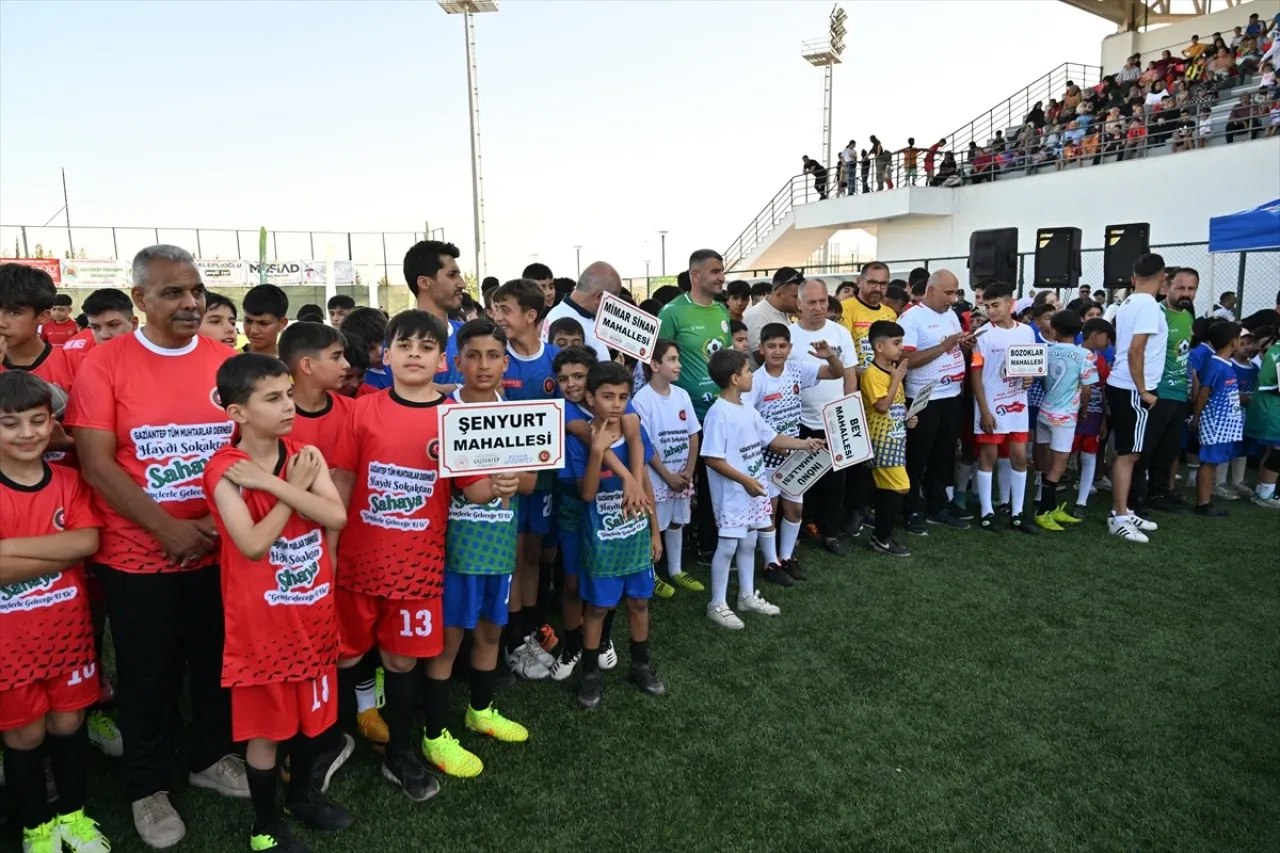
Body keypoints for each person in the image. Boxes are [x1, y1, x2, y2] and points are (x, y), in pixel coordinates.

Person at [65, 245, 246, 848]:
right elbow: (95, 462)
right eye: (173, 292)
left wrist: (223, 523)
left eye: (196, 289)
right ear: (140, 299)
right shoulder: (104, 363)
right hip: (137, 552)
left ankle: (210, 757)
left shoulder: (227, 361)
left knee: (218, 659)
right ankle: (147, 785)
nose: (191, 302)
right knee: (147, 673)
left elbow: (246, 451)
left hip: (219, 545)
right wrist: (166, 528)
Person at [203, 354, 353, 851]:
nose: (288, 405)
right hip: (260, 626)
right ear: (237, 413)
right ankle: (265, 824)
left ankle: (304, 799)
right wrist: (291, 491)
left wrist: (273, 485)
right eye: (272, 398)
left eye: (288, 393)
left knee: (314, 719)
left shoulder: (302, 454)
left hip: (312, 614)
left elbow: (336, 515)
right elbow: (251, 543)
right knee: (265, 733)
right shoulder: (224, 469)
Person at [330, 310, 449, 803]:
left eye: (426, 347)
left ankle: (400, 755)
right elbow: (341, 482)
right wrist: (330, 555)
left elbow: (478, 489)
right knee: (345, 654)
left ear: (442, 360)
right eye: (405, 345)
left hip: (418, 567)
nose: (415, 354)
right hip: (357, 562)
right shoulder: (361, 410)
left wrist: (500, 484)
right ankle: (326, 745)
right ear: (386, 354)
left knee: (401, 662)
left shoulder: (457, 415)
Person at [0, 370, 112, 853]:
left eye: (37, 420)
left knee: (69, 725)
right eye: (10, 423)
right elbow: (66, 548)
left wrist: (7, 547)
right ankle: (36, 827)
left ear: (52, 424)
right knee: (24, 737)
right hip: (10, 643)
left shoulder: (68, 480)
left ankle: (73, 816)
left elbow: (85, 542)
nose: (26, 433)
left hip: (67, 635)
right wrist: (56, 550)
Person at [421, 319, 534, 776]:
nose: (483, 365)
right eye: (474, 355)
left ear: (506, 363)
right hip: (454, 548)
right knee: (448, 642)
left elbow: (530, 479)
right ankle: (434, 735)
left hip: (499, 543)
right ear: (457, 361)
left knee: (490, 631)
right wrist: (478, 484)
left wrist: (513, 480)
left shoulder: (519, 414)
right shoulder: (442, 413)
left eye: (493, 356)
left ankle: (480, 710)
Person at [700, 349, 823, 629]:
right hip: (734, 494)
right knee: (729, 544)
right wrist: (745, 481)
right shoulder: (719, 414)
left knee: (750, 542)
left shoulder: (746, 408)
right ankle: (717, 603)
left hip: (754, 489)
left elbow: (770, 436)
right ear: (734, 378)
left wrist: (805, 443)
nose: (750, 375)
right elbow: (712, 458)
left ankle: (746, 596)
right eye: (746, 371)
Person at [567, 360, 665, 710]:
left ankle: (640, 665)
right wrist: (596, 451)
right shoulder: (581, 438)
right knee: (598, 607)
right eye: (607, 396)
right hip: (602, 541)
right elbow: (589, 494)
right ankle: (590, 673)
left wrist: (655, 532)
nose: (615, 404)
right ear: (590, 397)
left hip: (636, 536)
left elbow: (646, 487)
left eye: (623, 397)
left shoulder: (631, 427)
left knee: (639, 601)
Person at [549, 346, 648, 680]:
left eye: (578, 376)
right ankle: (573, 645)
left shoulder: (618, 401)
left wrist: (633, 482)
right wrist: (628, 478)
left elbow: (634, 436)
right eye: (563, 378)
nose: (571, 384)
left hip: (616, 513)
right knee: (575, 583)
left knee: (610, 583)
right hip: (576, 508)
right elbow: (594, 438)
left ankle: (603, 640)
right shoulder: (563, 412)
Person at [491, 279, 563, 675]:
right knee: (514, 555)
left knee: (535, 554)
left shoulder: (556, 359)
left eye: (505, 310)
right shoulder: (498, 360)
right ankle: (513, 640)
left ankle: (532, 628)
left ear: (530, 316)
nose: (498, 317)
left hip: (547, 476)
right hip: (508, 477)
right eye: (495, 309)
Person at [746, 323, 844, 585]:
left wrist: (830, 356)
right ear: (761, 350)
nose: (777, 351)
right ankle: (770, 563)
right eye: (771, 346)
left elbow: (837, 373)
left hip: (794, 455)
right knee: (770, 512)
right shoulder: (755, 381)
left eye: (782, 346)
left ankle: (787, 557)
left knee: (795, 510)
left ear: (790, 348)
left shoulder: (798, 369)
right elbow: (747, 419)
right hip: (766, 457)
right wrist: (770, 441)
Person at [658, 250, 730, 562]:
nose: (721, 277)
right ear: (695, 275)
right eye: (715, 271)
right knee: (682, 482)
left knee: (718, 481)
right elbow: (656, 363)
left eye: (722, 271)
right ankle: (666, 551)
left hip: (721, 413)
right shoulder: (672, 313)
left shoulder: (721, 311)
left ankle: (710, 545)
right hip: (686, 419)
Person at [789, 280, 859, 555]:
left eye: (822, 302)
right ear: (799, 305)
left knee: (835, 482)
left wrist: (847, 408)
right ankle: (799, 529)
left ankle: (830, 533)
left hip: (835, 419)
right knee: (800, 481)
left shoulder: (840, 333)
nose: (818, 308)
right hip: (799, 420)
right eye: (811, 303)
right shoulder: (788, 335)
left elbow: (850, 373)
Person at [899, 270, 972, 533]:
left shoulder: (950, 315)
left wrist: (963, 344)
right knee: (917, 458)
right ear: (931, 290)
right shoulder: (911, 318)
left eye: (955, 292)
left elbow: (952, 346)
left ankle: (937, 505)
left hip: (951, 394)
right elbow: (905, 361)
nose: (953, 299)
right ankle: (912, 510)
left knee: (944, 455)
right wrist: (943, 347)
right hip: (924, 397)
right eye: (948, 292)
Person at [1104, 254, 1169, 544]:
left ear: (1133, 277)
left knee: (1131, 453)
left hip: (1126, 385)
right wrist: (1143, 390)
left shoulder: (1129, 303)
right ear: (1163, 276)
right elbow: (1135, 351)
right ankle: (1119, 517)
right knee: (1128, 455)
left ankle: (1124, 511)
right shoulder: (1146, 305)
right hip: (1131, 388)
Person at [632, 339, 703, 593]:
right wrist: (666, 475)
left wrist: (688, 469)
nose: (679, 365)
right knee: (654, 526)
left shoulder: (682, 395)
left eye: (678, 359)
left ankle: (676, 570)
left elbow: (693, 433)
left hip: (682, 476)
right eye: (672, 360)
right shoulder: (642, 400)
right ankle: (650, 573)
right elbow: (645, 444)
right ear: (654, 365)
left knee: (677, 521)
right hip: (657, 478)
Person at [970, 283, 1037, 534]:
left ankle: (1017, 512)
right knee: (989, 457)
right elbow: (975, 373)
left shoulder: (1027, 332)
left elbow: (1029, 367)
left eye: (995, 305)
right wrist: (984, 410)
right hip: (991, 405)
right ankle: (987, 512)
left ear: (1011, 304)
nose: (990, 311)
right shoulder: (983, 334)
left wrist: (1029, 377)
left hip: (1018, 405)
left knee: (1020, 457)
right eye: (986, 306)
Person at [1133, 267, 1197, 512]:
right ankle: (1135, 496)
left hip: (1179, 392)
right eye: (1180, 287)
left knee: (1170, 449)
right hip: (1157, 391)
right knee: (1146, 448)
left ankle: (1160, 493)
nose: (1186, 293)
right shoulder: (1156, 313)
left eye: (1191, 289)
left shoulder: (1187, 316)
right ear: (1166, 286)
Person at [1032, 310, 1098, 531]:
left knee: (1047, 463)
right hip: (1065, 416)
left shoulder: (1046, 351)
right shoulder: (1085, 355)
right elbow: (1087, 389)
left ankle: (1048, 507)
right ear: (1079, 329)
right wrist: (1084, 409)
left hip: (1044, 412)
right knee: (1058, 468)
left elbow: (1040, 381)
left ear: (1055, 329)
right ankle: (1043, 512)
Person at [860, 321, 920, 556]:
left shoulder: (892, 371)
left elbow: (897, 403)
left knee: (889, 489)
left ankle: (881, 536)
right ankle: (881, 535)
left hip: (896, 438)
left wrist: (908, 416)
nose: (901, 348)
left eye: (901, 342)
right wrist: (897, 378)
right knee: (901, 486)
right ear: (879, 346)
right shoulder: (872, 373)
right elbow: (882, 406)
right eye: (896, 343)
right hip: (881, 441)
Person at [1190, 321, 1244, 517]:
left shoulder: (1225, 364)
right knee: (1209, 462)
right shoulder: (1216, 364)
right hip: (1215, 422)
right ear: (1233, 341)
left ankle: (1206, 500)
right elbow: (1204, 392)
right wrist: (1196, 417)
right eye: (1239, 338)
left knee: (1214, 462)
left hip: (1224, 424)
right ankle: (1203, 503)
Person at [404, 240, 465, 389]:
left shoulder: (467, 334)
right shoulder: (398, 338)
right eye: (452, 275)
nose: (462, 283)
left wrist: (451, 390)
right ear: (424, 283)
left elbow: (494, 388)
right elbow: (410, 392)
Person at [540, 261, 623, 362]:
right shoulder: (567, 324)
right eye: (611, 302)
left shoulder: (567, 313)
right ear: (599, 297)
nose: (611, 308)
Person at [1245, 334, 1280, 508]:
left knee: (1271, 451)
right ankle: (1265, 496)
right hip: (1271, 409)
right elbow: (1265, 382)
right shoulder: (1276, 352)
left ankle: (1262, 491)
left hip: (1273, 409)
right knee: (1276, 451)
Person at [742, 267, 801, 359]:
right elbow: (762, 357)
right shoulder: (758, 315)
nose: (799, 301)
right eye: (795, 296)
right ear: (779, 295)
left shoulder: (781, 312)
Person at [240, 285, 289, 357]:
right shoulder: (229, 358)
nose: (254, 331)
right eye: (248, 321)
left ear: (282, 323)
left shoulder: (293, 362)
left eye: (263, 323)